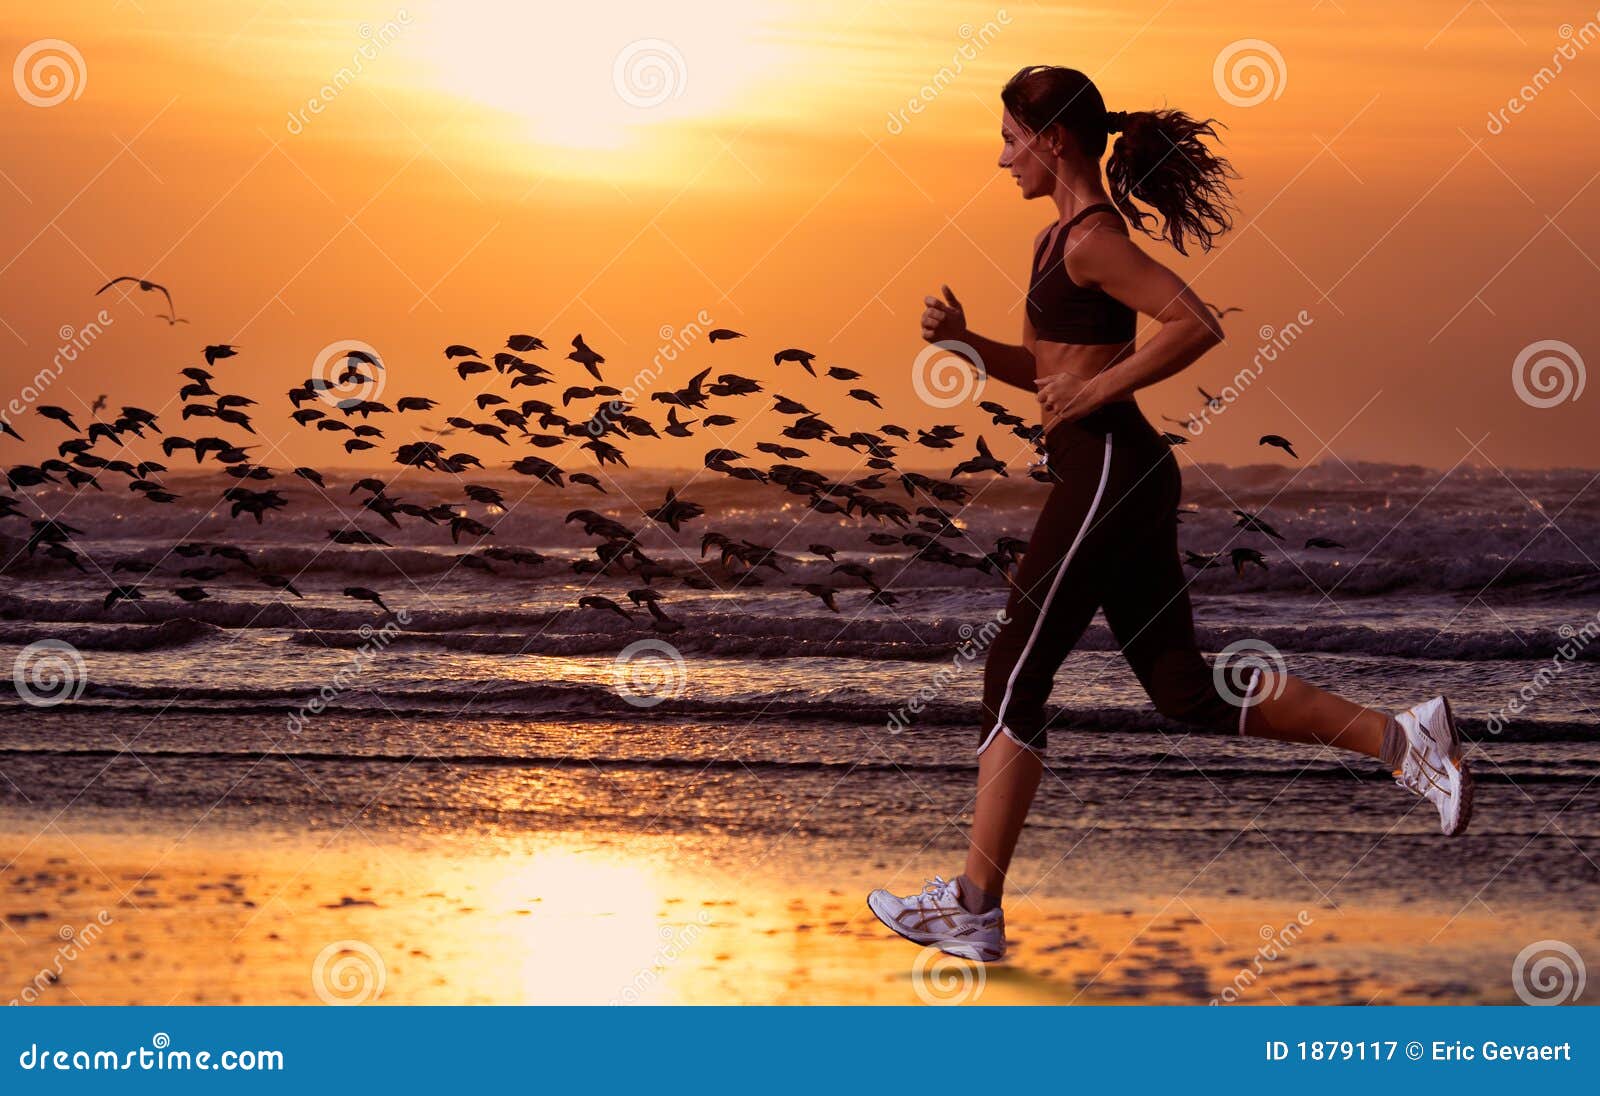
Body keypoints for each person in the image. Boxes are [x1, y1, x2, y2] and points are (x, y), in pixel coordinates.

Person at [867, 65, 1472, 964]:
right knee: (1186, 693)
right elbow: (1048, 373)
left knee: (1012, 678)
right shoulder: (1052, 243)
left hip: (1111, 469)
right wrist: (965, 344)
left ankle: (973, 905)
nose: (1002, 160)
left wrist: (1100, 388)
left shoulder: (1092, 240)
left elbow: (1195, 322)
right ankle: (1402, 739)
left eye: (1009, 139)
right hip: (1121, 472)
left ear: (1053, 139)